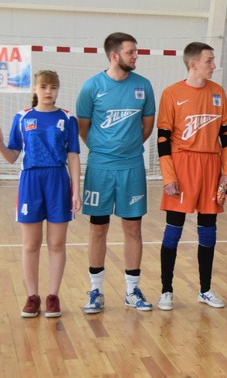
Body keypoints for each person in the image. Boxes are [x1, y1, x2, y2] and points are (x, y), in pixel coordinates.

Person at [0, 70, 81, 318]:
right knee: (31, 243)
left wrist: (76, 191)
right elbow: (12, 156)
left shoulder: (67, 118)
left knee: (56, 243)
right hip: (30, 181)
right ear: (34, 89)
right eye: (43, 87)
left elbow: (73, 156)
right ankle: (32, 297)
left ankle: (52, 296)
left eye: (53, 87)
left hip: (58, 180)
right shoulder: (22, 117)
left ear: (58, 89)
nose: (48, 91)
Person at [76, 32, 156, 313]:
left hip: (132, 167)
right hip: (100, 168)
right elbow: (83, 128)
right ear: (114, 55)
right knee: (98, 228)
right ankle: (96, 291)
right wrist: (103, 150)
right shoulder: (91, 87)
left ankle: (132, 290)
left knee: (133, 228)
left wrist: (127, 148)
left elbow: (147, 126)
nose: (136, 56)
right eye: (131, 52)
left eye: (136, 51)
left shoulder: (143, 86)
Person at [155, 42, 227, 311]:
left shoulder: (218, 93)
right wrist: (169, 177)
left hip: (211, 165)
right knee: (173, 231)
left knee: (208, 230)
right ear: (193, 64)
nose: (213, 65)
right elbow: (163, 140)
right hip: (182, 165)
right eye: (209, 60)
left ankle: (205, 289)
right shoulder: (171, 93)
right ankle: (166, 290)